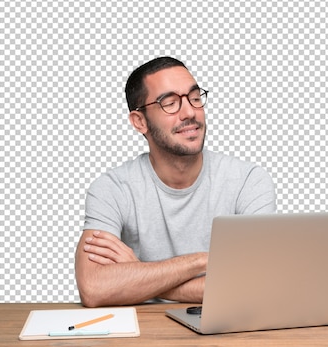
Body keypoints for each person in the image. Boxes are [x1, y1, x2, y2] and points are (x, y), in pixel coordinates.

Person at [74, 57, 277, 307]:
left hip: (227, 335)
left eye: (195, 97)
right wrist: (206, 261)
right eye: (169, 103)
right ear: (140, 122)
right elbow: (94, 289)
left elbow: (262, 284)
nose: (190, 112)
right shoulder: (111, 189)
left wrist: (140, 276)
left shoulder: (248, 181)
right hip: (141, 337)